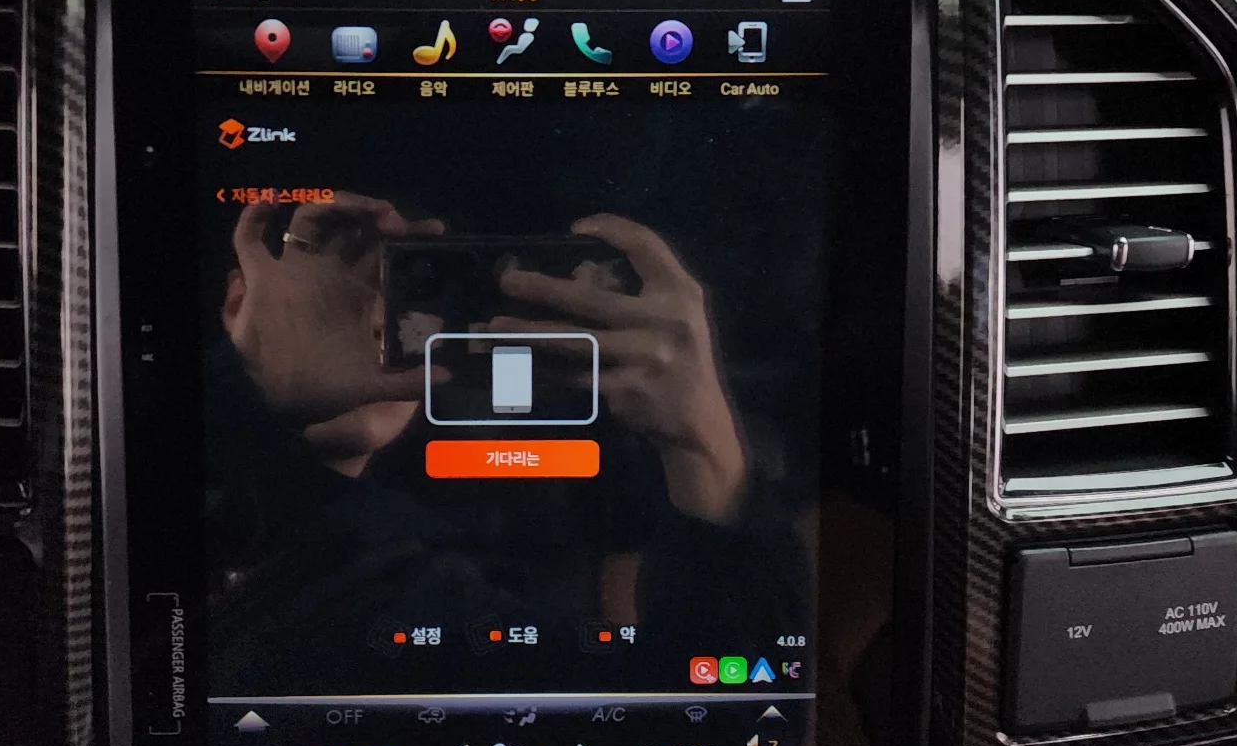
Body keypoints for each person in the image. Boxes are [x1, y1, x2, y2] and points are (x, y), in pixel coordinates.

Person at [204, 191, 807, 692]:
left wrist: (703, 447)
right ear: (238, 301)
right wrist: (245, 386)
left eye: (416, 290)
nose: (379, 322)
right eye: (351, 280)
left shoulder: (403, 596)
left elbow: (706, 718)